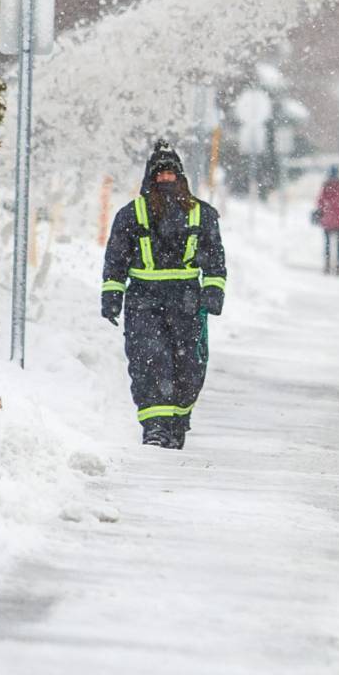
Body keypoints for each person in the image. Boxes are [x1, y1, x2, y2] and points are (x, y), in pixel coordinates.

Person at [99, 142, 227, 447]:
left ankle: (177, 422)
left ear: (181, 178)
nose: (166, 180)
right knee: (150, 361)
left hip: (187, 302)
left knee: (188, 368)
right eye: (160, 175)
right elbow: (115, 260)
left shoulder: (202, 215)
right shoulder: (131, 215)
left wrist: (213, 290)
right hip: (144, 301)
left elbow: (215, 258)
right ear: (149, 180)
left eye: (171, 174)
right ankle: (155, 427)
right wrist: (111, 295)